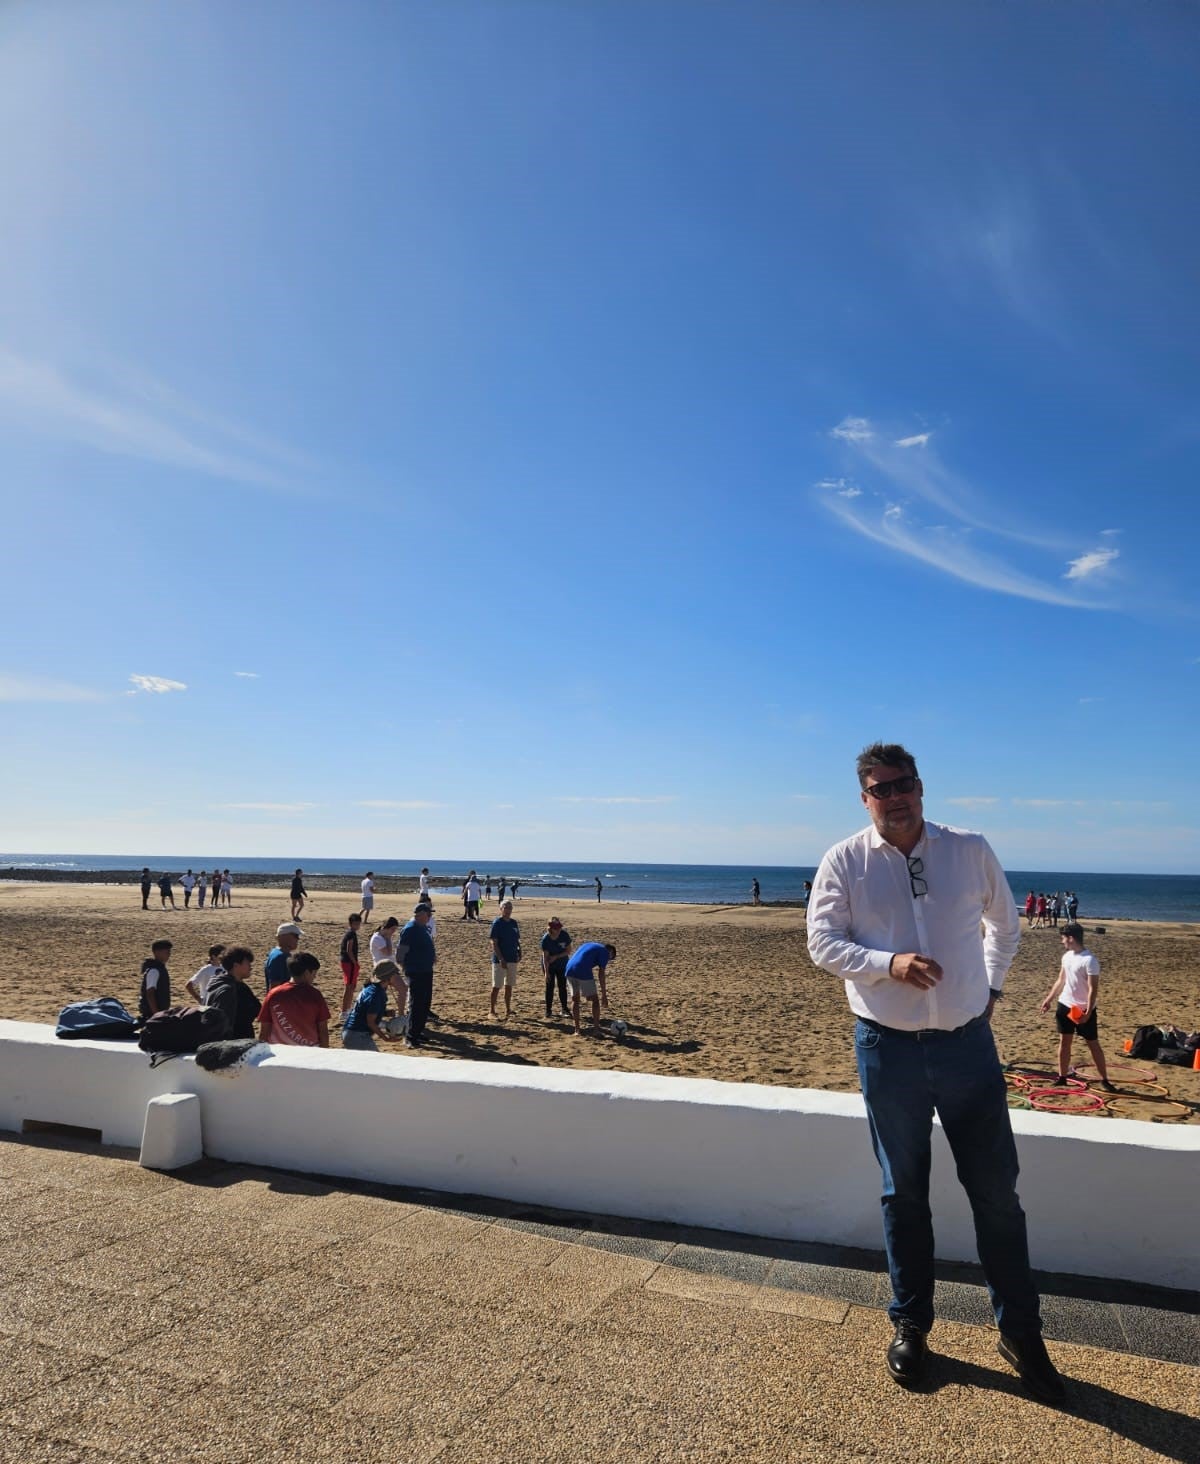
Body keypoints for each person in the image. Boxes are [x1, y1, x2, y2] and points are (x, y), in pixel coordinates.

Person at [806, 742, 1064, 1404]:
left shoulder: (968, 848)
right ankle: (912, 1325)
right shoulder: (845, 860)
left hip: (967, 1047)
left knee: (996, 1193)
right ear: (865, 798)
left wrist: (992, 988)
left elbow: (1004, 926)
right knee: (903, 1193)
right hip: (886, 1048)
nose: (896, 797)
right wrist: (887, 964)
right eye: (882, 789)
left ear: (921, 787)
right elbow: (822, 943)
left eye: (905, 784)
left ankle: (1021, 1334)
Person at [1040, 923, 1115, 1091]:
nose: (1062, 941)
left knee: (1093, 1043)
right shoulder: (1066, 956)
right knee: (1064, 1042)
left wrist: (1088, 1011)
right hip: (1065, 1005)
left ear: (1071, 938)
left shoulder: (1090, 960)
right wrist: (1049, 999)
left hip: (1083, 1009)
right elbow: (1061, 980)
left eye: (1063, 938)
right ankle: (1062, 1077)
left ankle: (1104, 1080)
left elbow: (1093, 989)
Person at [260, 951, 331, 1047]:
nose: (314, 977)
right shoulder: (315, 995)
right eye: (314, 973)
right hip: (309, 1051)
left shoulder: (273, 994)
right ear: (306, 973)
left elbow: (264, 1030)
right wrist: (324, 1050)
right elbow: (323, 1030)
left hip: (280, 1051)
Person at [396, 904, 437, 1048]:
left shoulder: (422, 927)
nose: (430, 917)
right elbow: (400, 953)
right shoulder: (410, 929)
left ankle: (417, 1031)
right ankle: (410, 1036)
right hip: (416, 971)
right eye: (428, 914)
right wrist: (406, 968)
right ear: (420, 914)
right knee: (416, 1004)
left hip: (426, 970)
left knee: (424, 1003)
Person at [342, 960, 400, 1051]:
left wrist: (385, 1013)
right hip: (357, 1036)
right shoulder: (377, 994)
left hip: (351, 1033)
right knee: (375, 1059)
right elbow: (371, 1022)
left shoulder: (371, 987)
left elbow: (366, 1010)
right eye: (395, 974)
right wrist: (385, 1038)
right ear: (389, 977)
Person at [206, 947, 261, 1039]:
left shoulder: (218, 982)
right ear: (236, 965)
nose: (250, 967)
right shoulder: (232, 989)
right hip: (235, 1041)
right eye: (247, 963)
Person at [563, 940, 615, 1036]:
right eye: (610, 959)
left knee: (575, 1000)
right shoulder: (605, 952)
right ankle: (596, 1030)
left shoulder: (590, 945)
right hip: (583, 969)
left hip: (569, 968)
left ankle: (577, 1030)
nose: (608, 961)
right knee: (595, 1000)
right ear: (610, 952)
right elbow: (601, 974)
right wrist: (604, 995)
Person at [489, 899, 521, 1019]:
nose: (508, 910)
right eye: (506, 907)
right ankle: (492, 1011)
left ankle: (508, 1009)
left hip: (512, 958)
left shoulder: (513, 923)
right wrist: (501, 958)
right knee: (496, 986)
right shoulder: (497, 923)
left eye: (510, 908)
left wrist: (520, 951)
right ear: (501, 909)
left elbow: (517, 940)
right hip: (500, 960)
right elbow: (494, 942)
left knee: (509, 985)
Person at [540, 917, 573, 1018]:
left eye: (559, 927)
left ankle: (564, 1008)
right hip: (549, 965)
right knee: (549, 986)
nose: (558, 930)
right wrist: (546, 973)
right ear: (550, 929)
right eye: (556, 928)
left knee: (562, 986)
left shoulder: (564, 935)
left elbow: (568, 951)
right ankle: (548, 1010)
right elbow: (545, 957)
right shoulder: (546, 939)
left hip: (562, 964)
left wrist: (556, 956)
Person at [138, 939, 173, 1018]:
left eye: (169, 952)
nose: (169, 954)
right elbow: (150, 994)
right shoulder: (154, 971)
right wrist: (157, 1015)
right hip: (151, 1014)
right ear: (157, 952)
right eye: (166, 952)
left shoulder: (160, 968)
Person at [264, 922, 303, 992]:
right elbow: (274, 988)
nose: (298, 939)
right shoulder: (280, 957)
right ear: (285, 937)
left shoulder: (276, 952)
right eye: (296, 936)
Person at [339, 913, 363, 1018]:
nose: (357, 926)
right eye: (356, 923)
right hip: (349, 963)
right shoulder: (351, 934)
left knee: (351, 986)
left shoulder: (351, 933)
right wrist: (355, 963)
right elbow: (349, 950)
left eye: (358, 924)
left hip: (347, 962)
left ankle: (347, 1009)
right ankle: (344, 1011)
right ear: (351, 923)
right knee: (349, 987)